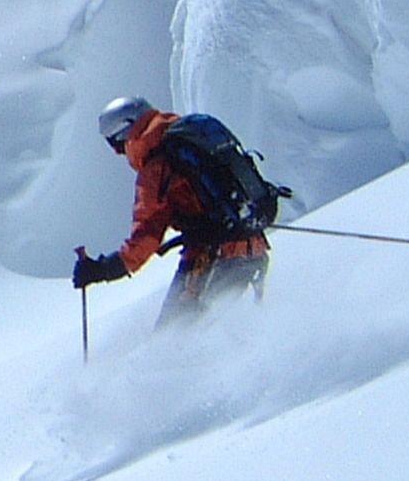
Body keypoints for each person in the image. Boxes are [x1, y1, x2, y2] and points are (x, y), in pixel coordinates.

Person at [72, 96, 270, 326]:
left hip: (212, 260)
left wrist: (102, 270)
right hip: (253, 245)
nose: (120, 153)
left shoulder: (157, 167)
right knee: (225, 331)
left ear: (125, 134)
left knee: (175, 336)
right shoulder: (191, 138)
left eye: (115, 144)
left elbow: (145, 238)